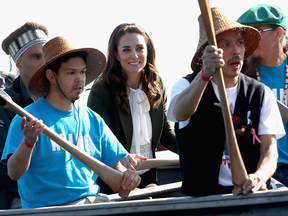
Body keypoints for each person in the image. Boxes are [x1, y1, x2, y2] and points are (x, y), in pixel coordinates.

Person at [1, 36, 141, 209]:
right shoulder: (26, 120)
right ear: (52, 76)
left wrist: (128, 177)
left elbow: (116, 166)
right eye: (71, 73)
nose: (80, 79)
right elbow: (14, 173)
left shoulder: (92, 119)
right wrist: (28, 142)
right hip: (48, 212)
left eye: (82, 72)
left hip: (92, 204)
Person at [167, 7, 285, 196]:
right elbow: (179, 113)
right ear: (207, 53)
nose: (236, 51)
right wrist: (205, 76)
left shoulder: (261, 93)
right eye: (226, 44)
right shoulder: (185, 85)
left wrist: (260, 177)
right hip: (202, 201)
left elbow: (270, 149)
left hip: (253, 200)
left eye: (239, 43)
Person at [87, 23, 178, 193]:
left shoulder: (156, 83)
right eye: (126, 50)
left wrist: (192, 152)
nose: (134, 55)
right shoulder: (101, 91)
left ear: (148, 51)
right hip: (116, 181)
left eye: (139, 48)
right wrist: (123, 168)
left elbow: (166, 133)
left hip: (148, 177)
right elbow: (101, 143)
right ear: (116, 54)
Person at [237, 4, 288, 187]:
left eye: (257, 31)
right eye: (244, 35)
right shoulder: (237, 74)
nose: (249, 40)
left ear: (278, 33)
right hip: (256, 172)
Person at [0, 22, 48, 209]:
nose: (44, 62)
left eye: (47, 56)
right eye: (36, 56)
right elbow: (4, 169)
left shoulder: (61, 98)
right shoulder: (4, 104)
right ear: (18, 63)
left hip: (61, 192)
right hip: (19, 196)